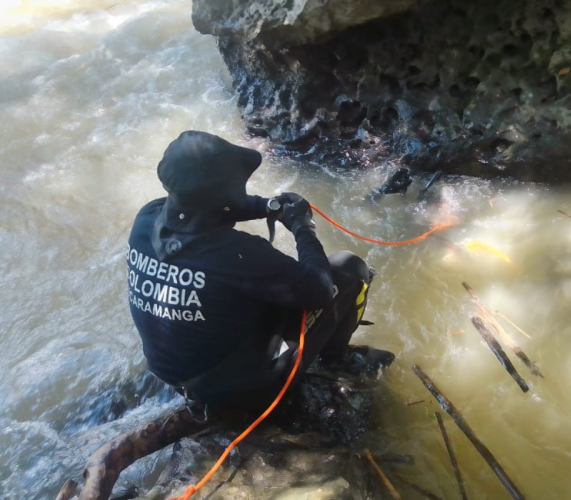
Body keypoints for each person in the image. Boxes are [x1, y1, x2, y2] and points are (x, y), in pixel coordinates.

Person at [126, 130, 392, 409]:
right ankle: (336, 360)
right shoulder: (238, 254)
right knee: (350, 267)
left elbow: (206, 210)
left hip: (175, 376)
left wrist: (269, 207)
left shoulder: (147, 218)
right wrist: (303, 227)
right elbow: (320, 291)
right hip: (239, 393)